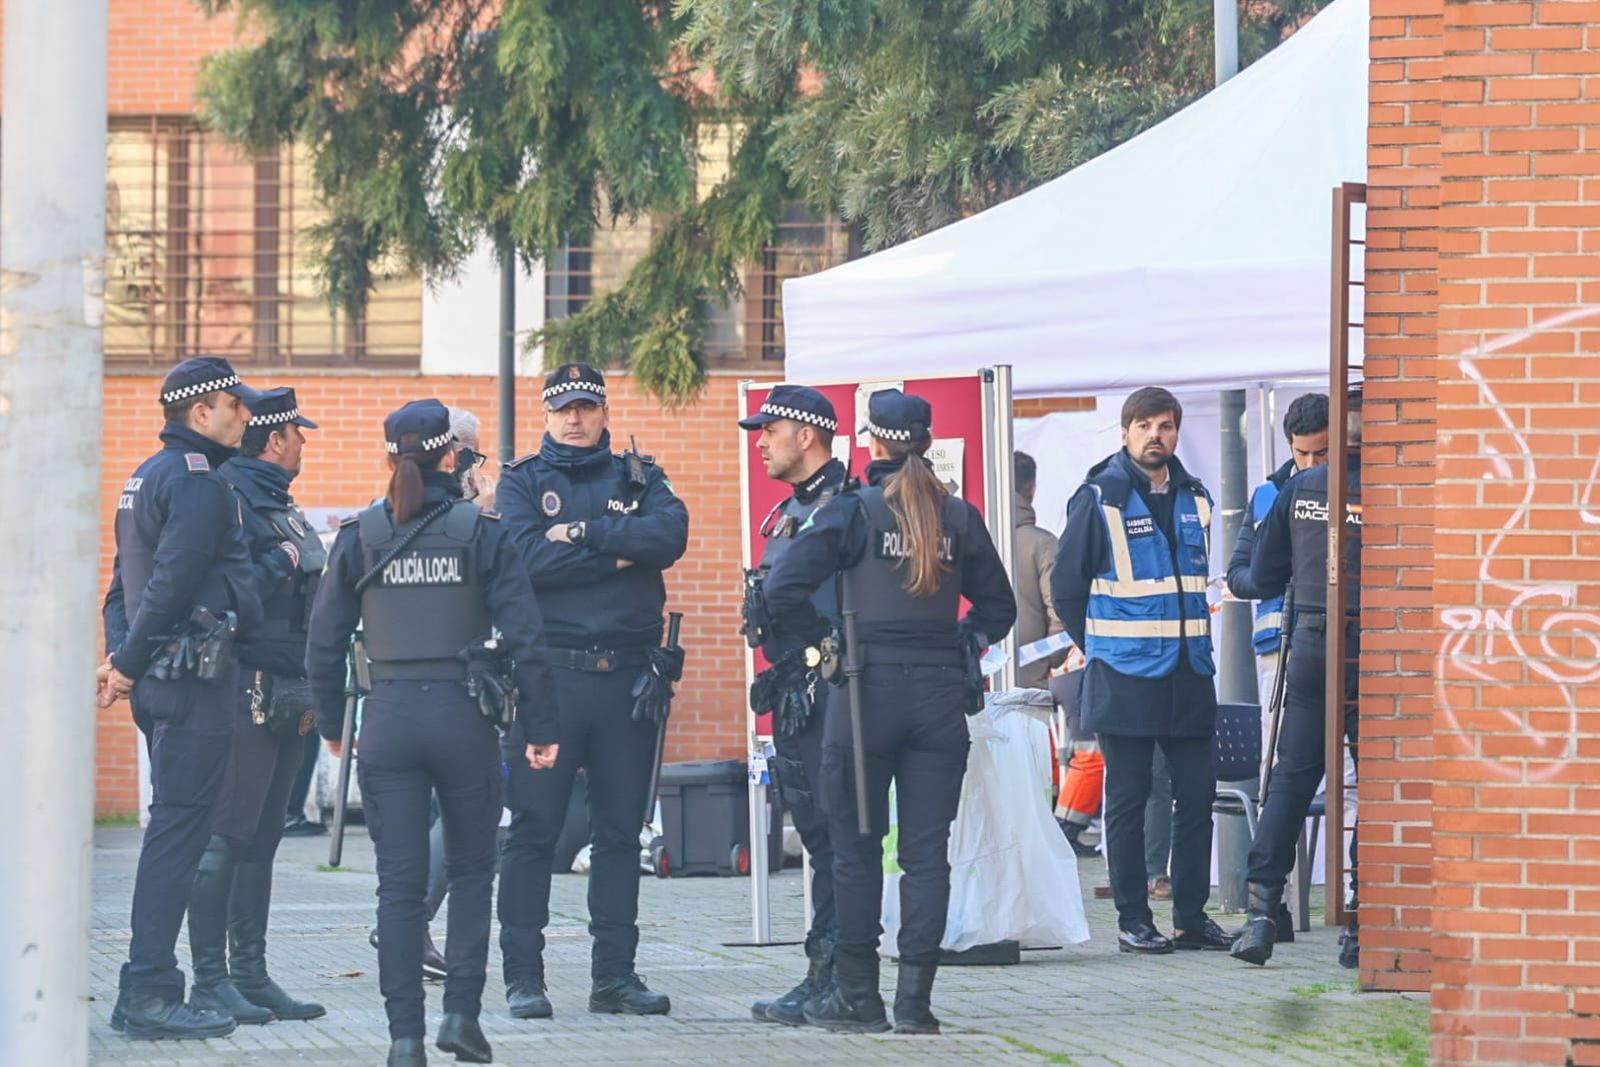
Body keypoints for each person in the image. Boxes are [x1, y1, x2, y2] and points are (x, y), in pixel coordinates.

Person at [305, 399, 561, 1067]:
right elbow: (526, 636)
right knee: (473, 872)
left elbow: (323, 641)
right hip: (462, 717)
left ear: (390, 458)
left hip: (388, 719)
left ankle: (404, 1037)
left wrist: (332, 725)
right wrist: (541, 725)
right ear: (453, 455)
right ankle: (461, 1017)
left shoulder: (360, 534)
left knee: (398, 886)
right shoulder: (482, 531)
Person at [752, 389, 1016, 1035]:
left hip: (863, 696)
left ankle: (858, 998)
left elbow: (781, 588)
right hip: (937, 699)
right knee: (926, 856)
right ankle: (915, 1004)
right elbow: (1000, 608)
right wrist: (962, 642)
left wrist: (826, 640)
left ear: (872, 441)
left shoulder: (852, 512)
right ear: (925, 440)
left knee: (855, 852)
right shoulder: (957, 515)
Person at [495, 363, 689, 1020]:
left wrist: (584, 534)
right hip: (550, 681)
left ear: (604, 412)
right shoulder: (523, 482)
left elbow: (669, 536)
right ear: (546, 415)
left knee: (619, 834)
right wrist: (623, 555)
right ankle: (524, 977)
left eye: (585, 407)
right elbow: (526, 559)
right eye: (563, 409)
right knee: (532, 831)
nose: (575, 419)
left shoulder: (639, 477)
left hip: (628, 682)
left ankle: (614, 977)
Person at [101, 356, 265, 1040]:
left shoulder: (147, 475)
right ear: (202, 411)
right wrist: (128, 666)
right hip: (192, 682)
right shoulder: (199, 483)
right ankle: (150, 993)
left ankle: (145, 986)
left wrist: (122, 661)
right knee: (180, 835)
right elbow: (169, 582)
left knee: (173, 830)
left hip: (161, 679)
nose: (247, 415)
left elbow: (120, 588)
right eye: (237, 404)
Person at [1050, 386, 1234, 956]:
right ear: (1126, 432)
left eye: (1166, 426)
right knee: (1128, 799)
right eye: (1145, 425)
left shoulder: (1195, 498)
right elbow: (1066, 587)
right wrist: (1099, 645)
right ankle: (1133, 920)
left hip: (1188, 670)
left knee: (1198, 794)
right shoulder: (1099, 497)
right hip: (1124, 673)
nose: (1156, 435)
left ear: (1176, 432)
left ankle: (1190, 918)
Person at [185, 388, 327, 1028]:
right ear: (274, 439)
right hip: (245, 684)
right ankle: (210, 981)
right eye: (298, 433)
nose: (303, 443)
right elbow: (226, 590)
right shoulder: (232, 498)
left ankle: (250, 975)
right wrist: (286, 558)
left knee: (264, 837)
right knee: (228, 834)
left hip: (289, 684)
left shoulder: (278, 502)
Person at [1231, 391, 1363, 969]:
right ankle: (1362, 920)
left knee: (1289, 778)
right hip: (1372, 648)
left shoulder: (1298, 489)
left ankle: (1261, 914)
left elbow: (1259, 574)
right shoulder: (1390, 486)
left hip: (1310, 642)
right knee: (1374, 786)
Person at [738, 385, 849, 1025]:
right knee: (814, 834)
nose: (761, 443)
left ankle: (837, 976)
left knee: (836, 839)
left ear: (806, 436)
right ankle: (822, 974)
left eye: (769, 431)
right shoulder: (790, 510)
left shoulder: (843, 507)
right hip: (792, 691)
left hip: (830, 690)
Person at [1225, 393, 1329, 729]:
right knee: (1279, 744)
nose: (1311, 464)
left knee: (1339, 754)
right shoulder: (1267, 494)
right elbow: (1237, 575)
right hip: (1278, 644)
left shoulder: (1351, 488)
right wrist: (1272, 575)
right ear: (1289, 445)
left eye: (1322, 453)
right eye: (1302, 453)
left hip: (1334, 639)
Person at [1012, 451, 1068, 690]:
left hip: (978, 677)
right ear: (1032, 491)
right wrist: (1049, 658)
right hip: (1031, 680)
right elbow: (1060, 611)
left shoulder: (975, 536)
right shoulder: (1044, 543)